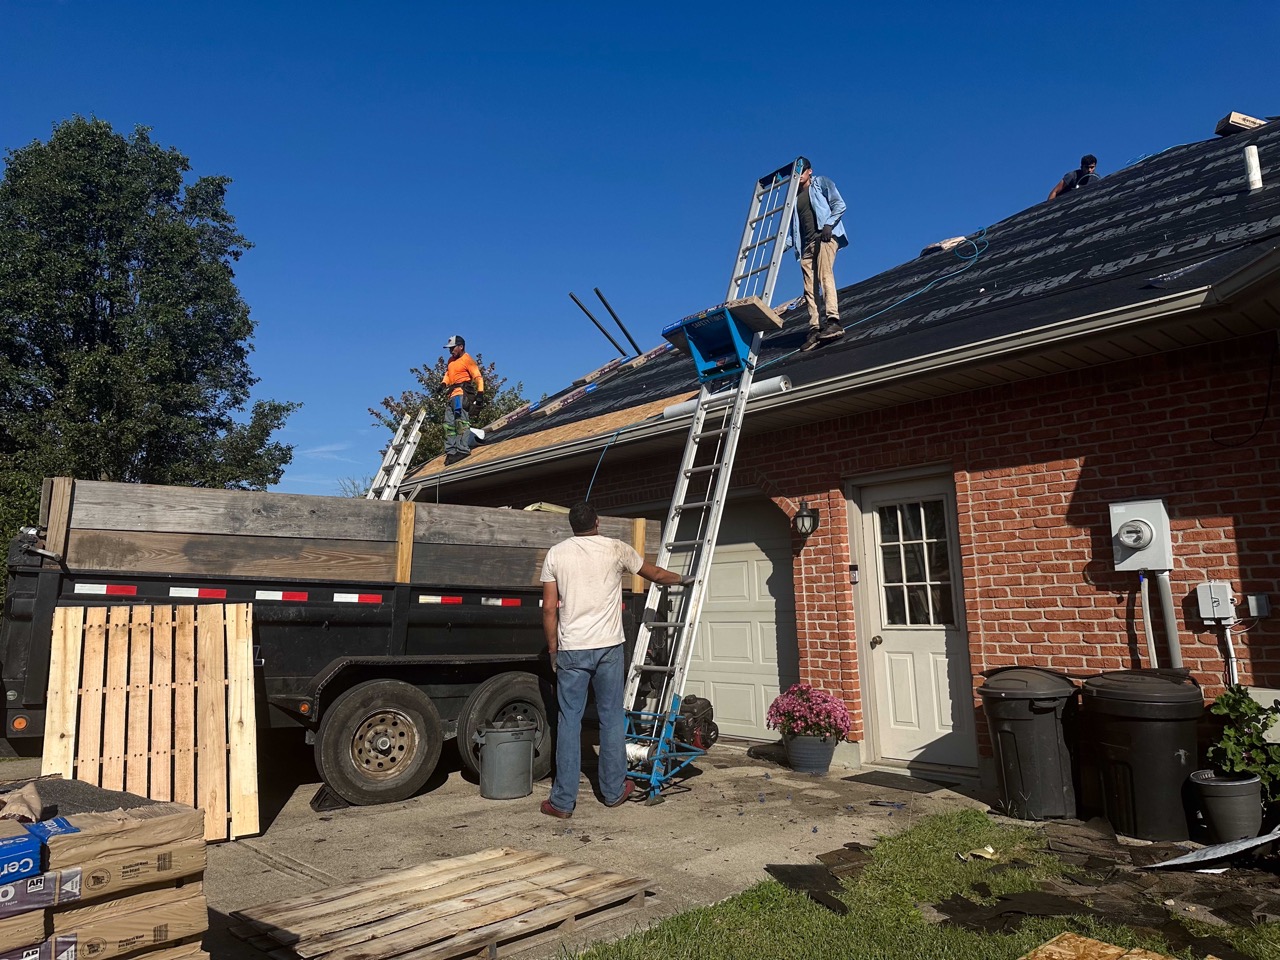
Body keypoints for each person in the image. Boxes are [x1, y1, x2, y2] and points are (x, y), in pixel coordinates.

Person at [539, 502, 686, 818]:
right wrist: (686, 580)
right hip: (609, 648)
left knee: (568, 721)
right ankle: (613, 790)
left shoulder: (556, 554)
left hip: (572, 649)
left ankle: (563, 802)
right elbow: (656, 574)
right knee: (609, 717)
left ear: (571, 525)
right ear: (597, 522)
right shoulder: (617, 549)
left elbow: (549, 608)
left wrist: (553, 650)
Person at [784, 156, 849, 352]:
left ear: (809, 171)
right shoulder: (794, 199)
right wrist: (779, 249)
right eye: (796, 173)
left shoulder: (821, 183)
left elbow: (839, 204)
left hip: (825, 237)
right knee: (809, 289)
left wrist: (829, 225)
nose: (799, 176)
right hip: (806, 245)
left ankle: (833, 321)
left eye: (801, 172)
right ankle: (814, 328)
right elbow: (793, 233)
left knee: (824, 275)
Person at [440, 335, 485, 465]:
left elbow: (478, 377)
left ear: (461, 347)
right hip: (451, 396)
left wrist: (480, 394)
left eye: (453, 348)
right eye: (450, 348)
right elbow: (448, 374)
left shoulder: (467, 359)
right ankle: (451, 450)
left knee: (460, 422)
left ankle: (462, 449)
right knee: (448, 423)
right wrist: (443, 384)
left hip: (461, 395)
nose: (451, 350)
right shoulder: (450, 360)